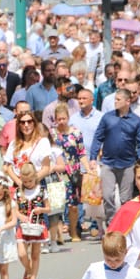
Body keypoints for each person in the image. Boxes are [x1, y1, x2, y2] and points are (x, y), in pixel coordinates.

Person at [90, 88, 140, 221]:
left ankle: (126, 224)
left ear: (127, 101)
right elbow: (98, 137)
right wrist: (93, 157)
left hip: (128, 164)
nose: (115, 102)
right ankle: (111, 224)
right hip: (108, 163)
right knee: (108, 196)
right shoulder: (107, 117)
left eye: (118, 99)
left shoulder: (136, 120)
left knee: (126, 199)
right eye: (115, 99)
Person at [53, 103, 90, 242]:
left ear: (68, 118)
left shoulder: (76, 133)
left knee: (73, 205)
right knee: (57, 204)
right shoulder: (52, 134)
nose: (61, 122)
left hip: (73, 173)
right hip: (57, 173)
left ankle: (74, 230)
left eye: (63, 118)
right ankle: (58, 234)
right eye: (59, 119)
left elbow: (81, 153)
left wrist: (88, 168)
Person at [14, 163, 49, 279]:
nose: (27, 183)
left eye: (30, 180)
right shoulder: (18, 192)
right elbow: (15, 210)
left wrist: (42, 210)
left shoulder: (41, 191)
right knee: (22, 253)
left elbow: (49, 208)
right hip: (23, 226)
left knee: (35, 254)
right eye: (25, 181)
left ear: (35, 177)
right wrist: (20, 216)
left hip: (37, 225)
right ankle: (29, 271)